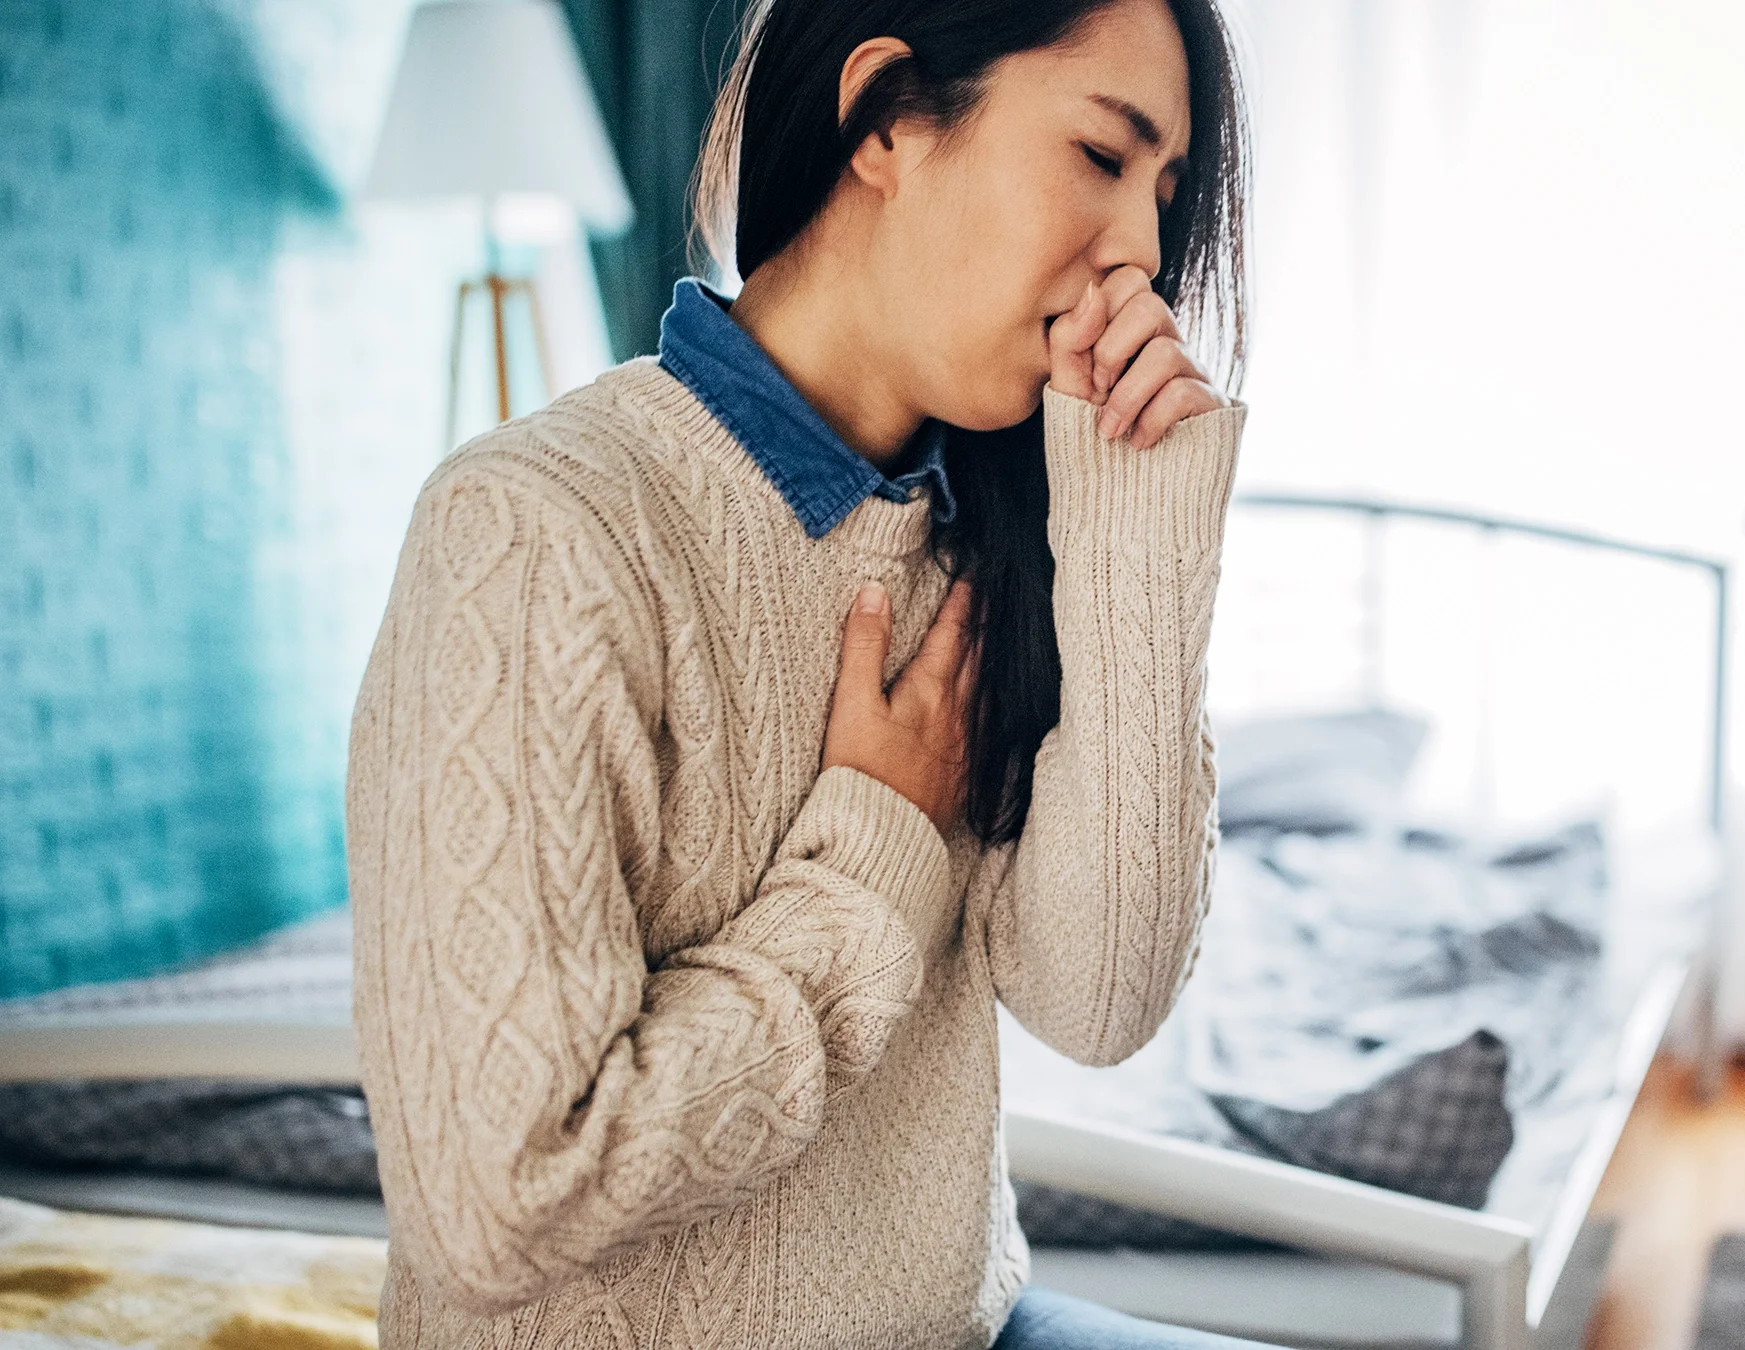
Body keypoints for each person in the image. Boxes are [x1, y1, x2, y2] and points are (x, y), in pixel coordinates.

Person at [344, 0, 1270, 1345]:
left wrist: (1135, 543)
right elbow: (499, 1201)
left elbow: (1100, 999)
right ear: (889, 117)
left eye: (1166, 194)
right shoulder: (536, 532)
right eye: (1100, 157)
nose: (1141, 253)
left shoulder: (985, 541)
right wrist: (867, 868)